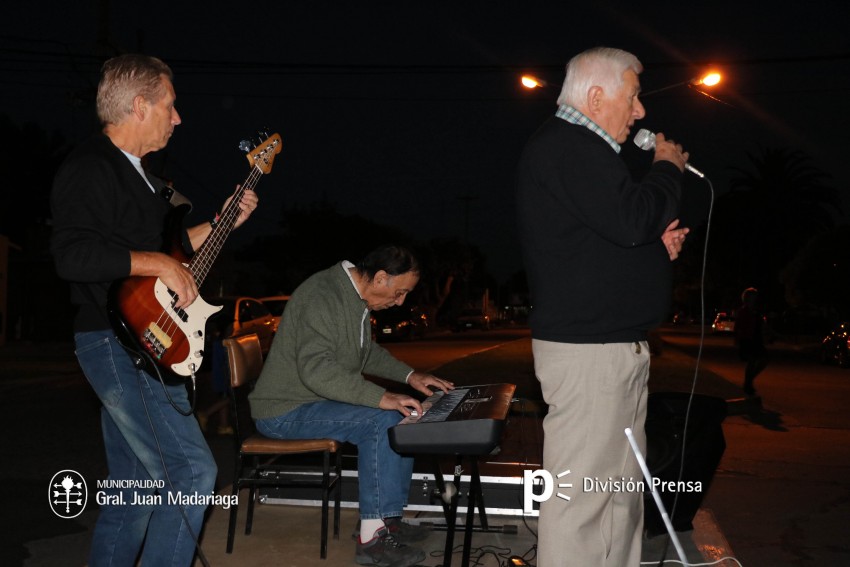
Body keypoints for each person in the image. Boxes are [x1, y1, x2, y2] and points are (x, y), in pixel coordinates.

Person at [50, 53, 259, 566]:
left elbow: (170, 253)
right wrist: (157, 265)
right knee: (192, 473)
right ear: (140, 105)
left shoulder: (142, 177)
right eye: (170, 105)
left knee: (133, 495)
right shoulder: (91, 167)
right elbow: (72, 255)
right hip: (114, 340)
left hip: (147, 343)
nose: (178, 117)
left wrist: (223, 222)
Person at [515, 46, 690, 566]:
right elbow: (632, 218)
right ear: (596, 96)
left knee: (618, 497)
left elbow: (609, 241)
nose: (640, 112)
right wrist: (667, 168)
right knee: (582, 502)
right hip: (588, 356)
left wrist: (655, 253)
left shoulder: (580, 154)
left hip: (611, 352)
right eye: (633, 98)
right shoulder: (568, 146)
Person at [249, 245, 453, 567]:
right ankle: (371, 540)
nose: (400, 302)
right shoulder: (323, 295)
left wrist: (410, 375)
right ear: (381, 278)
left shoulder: (354, 298)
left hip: (314, 402)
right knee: (381, 420)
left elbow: (366, 353)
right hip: (283, 410)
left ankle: (388, 519)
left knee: (402, 415)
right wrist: (382, 397)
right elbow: (317, 370)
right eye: (399, 292)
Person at [734, 287, 767, 396]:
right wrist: (737, 341)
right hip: (747, 340)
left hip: (756, 339)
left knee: (763, 360)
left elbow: (761, 325)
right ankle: (748, 384)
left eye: (755, 298)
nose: (754, 300)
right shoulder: (743, 311)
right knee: (752, 361)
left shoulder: (757, 312)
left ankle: (748, 381)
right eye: (752, 297)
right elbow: (738, 327)